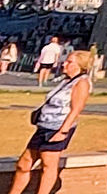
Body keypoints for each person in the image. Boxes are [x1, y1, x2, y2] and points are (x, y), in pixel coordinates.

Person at [8, 49, 91, 194]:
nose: (64, 64)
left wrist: (63, 131)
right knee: (24, 163)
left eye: (69, 62)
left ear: (79, 65)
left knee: (48, 164)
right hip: (44, 126)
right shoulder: (66, 81)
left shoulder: (82, 83)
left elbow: (76, 109)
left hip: (57, 127)